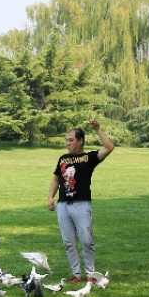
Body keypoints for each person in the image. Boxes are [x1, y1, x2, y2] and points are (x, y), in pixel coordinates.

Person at [48, 120, 115, 283]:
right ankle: (77, 275)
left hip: (81, 205)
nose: (67, 144)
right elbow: (56, 179)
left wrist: (98, 129)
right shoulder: (63, 159)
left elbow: (109, 147)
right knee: (68, 242)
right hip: (63, 206)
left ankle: (90, 274)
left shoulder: (89, 158)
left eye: (71, 140)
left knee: (86, 241)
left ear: (80, 141)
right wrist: (50, 197)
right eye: (66, 140)